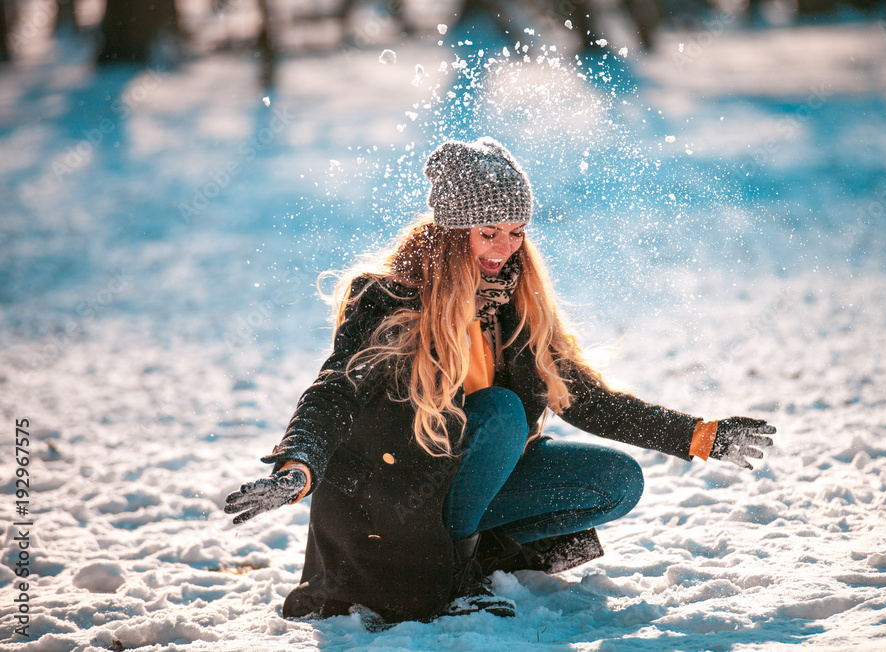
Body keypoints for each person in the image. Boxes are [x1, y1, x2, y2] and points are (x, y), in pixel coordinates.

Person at [225, 137, 776, 626]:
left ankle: (472, 553)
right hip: (395, 500)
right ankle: (451, 577)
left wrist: (698, 436)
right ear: (450, 232)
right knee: (502, 412)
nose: (503, 247)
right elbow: (334, 388)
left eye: (515, 231)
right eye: (487, 231)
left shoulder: (513, 304)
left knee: (615, 479)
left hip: (463, 484)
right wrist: (298, 465)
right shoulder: (390, 298)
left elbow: (586, 399)